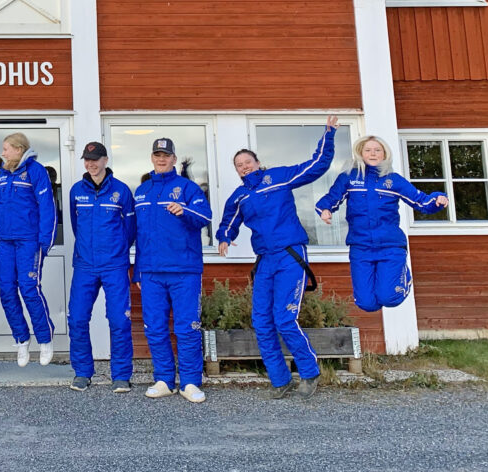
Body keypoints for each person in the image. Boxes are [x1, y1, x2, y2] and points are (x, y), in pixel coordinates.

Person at [217, 116, 339, 399]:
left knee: (285, 319)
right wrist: (224, 237)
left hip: (289, 254)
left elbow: (316, 166)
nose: (244, 167)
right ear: (237, 171)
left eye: (248, 161)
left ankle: (309, 373)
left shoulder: (279, 177)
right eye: (239, 165)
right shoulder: (239, 196)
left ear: (258, 163)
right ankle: (279, 380)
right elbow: (229, 222)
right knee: (261, 321)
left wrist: (329, 134)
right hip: (265, 261)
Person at [315, 135, 448, 313]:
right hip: (361, 247)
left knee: (389, 298)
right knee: (366, 304)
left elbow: (420, 201)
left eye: (377, 150)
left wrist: (437, 199)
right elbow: (332, 198)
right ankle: (380, 289)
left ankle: (403, 276)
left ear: (384, 154)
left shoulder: (393, 180)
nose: (373, 153)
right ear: (360, 153)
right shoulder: (349, 177)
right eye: (368, 150)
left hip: (390, 246)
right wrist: (325, 209)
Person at [133, 137, 212, 403]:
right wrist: (138, 272)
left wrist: (185, 210)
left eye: (166, 155)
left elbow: (205, 218)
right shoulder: (142, 192)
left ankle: (190, 382)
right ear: (152, 158)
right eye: (157, 154)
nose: (161, 159)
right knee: (154, 328)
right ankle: (164, 379)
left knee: (187, 328)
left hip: (184, 270)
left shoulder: (188, 188)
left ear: (174, 159)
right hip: (152, 272)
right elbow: (138, 235)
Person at [67, 141, 136, 393]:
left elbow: (129, 231)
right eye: (87, 159)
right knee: (76, 318)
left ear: (105, 160)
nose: (91, 164)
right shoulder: (76, 191)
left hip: (114, 266)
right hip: (84, 265)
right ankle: (83, 373)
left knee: (119, 320)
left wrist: (116, 251)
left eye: (95, 159)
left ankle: (121, 375)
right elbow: (76, 226)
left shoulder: (121, 191)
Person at [0, 132, 57, 367]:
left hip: (29, 241)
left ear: (19, 149)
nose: (3, 152)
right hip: (6, 241)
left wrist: (45, 241)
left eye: (6, 148)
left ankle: (45, 339)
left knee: (29, 289)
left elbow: (47, 206)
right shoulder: (3, 174)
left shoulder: (36, 171)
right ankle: (22, 339)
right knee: (6, 290)